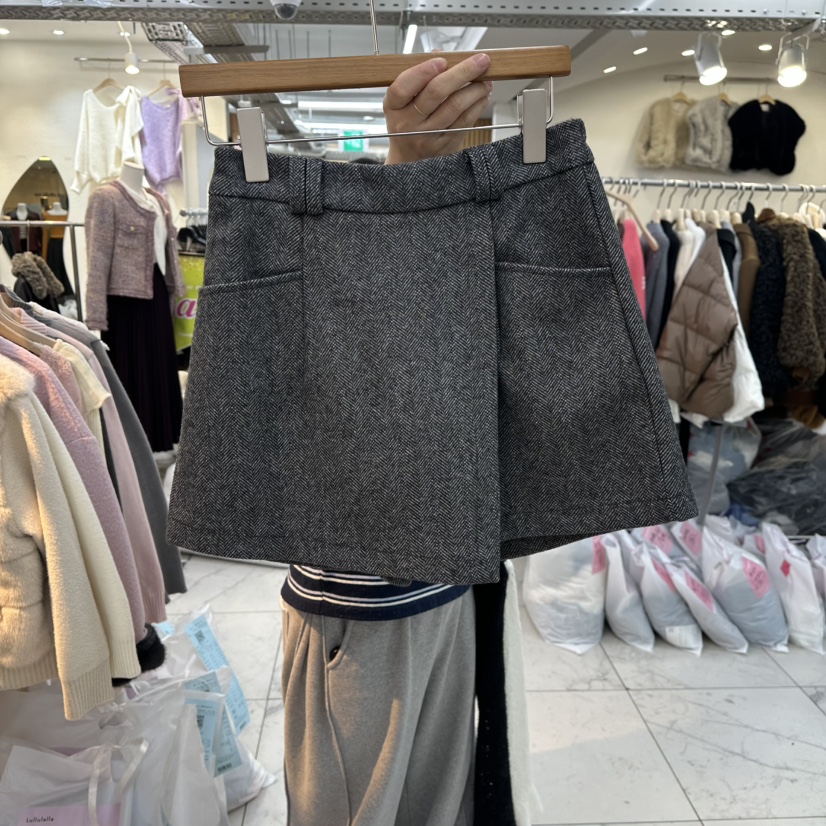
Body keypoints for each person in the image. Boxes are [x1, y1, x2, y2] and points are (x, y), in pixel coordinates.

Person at [279, 53, 495, 826]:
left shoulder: (470, 234)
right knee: (360, 805)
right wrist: (411, 164)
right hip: (366, 592)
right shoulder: (315, 252)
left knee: (432, 797)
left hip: (444, 575)